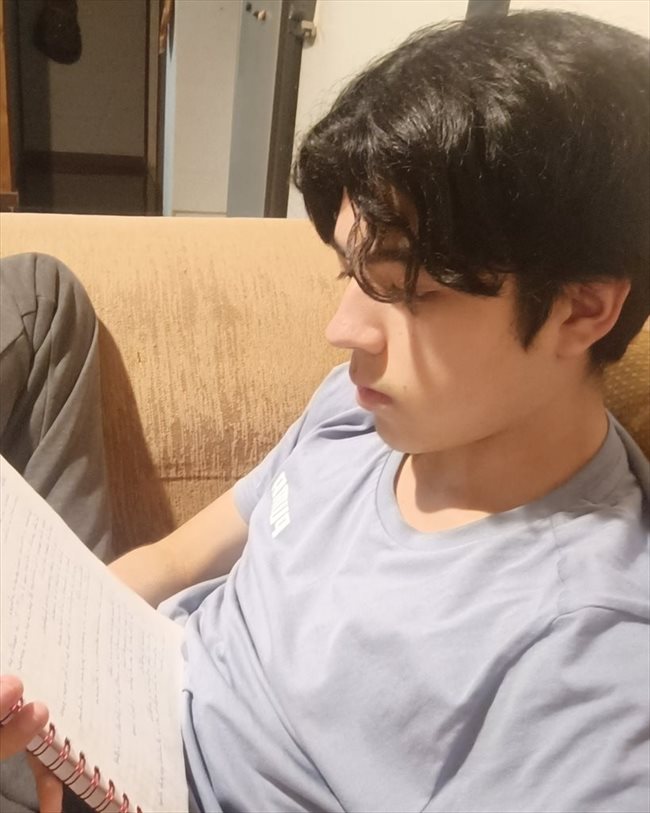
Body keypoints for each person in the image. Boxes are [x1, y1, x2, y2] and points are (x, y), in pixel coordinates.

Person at [2, 8, 649, 813]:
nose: (343, 329)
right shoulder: (366, 406)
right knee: (38, 290)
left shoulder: (586, 661)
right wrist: (54, 646)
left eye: (407, 289)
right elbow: (173, 558)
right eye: (350, 272)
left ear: (582, 310)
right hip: (118, 697)